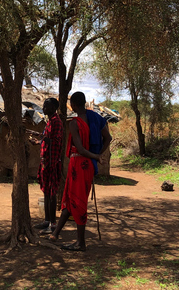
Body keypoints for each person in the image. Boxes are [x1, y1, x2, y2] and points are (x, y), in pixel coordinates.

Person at [48, 92, 111, 251]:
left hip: (79, 164)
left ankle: (81, 243)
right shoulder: (96, 118)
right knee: (70, 198)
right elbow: (108, 138)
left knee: (78, 201)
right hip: (88, 165)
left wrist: (96, 156)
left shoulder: (74, 123)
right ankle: (55, 233)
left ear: (74, 105)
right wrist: (98, 155)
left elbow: (81, 149)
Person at [30, 98, 64, 234]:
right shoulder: (49, 121)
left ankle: (53, 224)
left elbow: (55, 142)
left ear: (54, 108)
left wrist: (42, 138)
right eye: (43, 105)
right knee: (46, 191)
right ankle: (46, 221)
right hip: (46, 161)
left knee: (51, 193)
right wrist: (39, 140)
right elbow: (47, 139)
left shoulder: (56, 122)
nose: (43, 108)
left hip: (52, 162)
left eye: (47, 106)